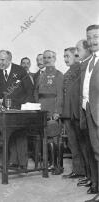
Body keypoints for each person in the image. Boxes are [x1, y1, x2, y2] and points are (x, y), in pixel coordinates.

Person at [34, 50, 64, 174]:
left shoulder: (58, 74)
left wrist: (57, 111)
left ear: (54, 58)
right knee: (46, 138)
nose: (47, 60)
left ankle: (58, 166)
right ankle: (49, 163)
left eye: (49, 57)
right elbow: (36, 92)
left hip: (53, 109)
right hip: (42, 110)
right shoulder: (41, 74)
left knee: (55, 138)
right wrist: (37, 106)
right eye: (45, 58)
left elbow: (60, 95)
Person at [74, 40, 98, 192]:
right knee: (92, 149)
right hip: (86, 111)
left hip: (95, 112)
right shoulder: (87, 64)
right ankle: (95, 183)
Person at [61, 47, 86, 179]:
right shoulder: (67, 72)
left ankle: (86, 173)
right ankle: (78, 170)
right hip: (67, 114)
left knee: (81, 143)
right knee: (72, 143)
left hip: (76, 113)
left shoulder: (80, 70)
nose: (65, 59)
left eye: (67, 56)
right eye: (64, 56)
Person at [82, 25, 99, 202]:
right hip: (89, 113)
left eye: (96, 37)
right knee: (96, 152)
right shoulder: (88, 62)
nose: (93, 41)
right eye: (90, 37)